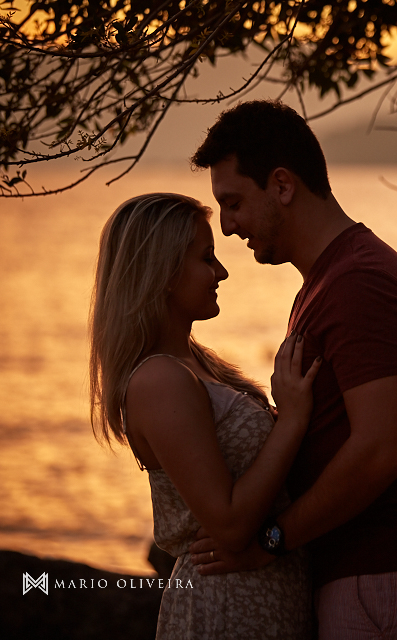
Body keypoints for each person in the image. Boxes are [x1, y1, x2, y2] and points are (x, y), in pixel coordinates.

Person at [188, 100, 397, 639]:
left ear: (282, 185)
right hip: (378, 573)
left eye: (233, 204)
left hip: (393, 571)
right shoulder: (329, 281)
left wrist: (272, 541)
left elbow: (381, 449)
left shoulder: (357, 284)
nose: (228, 227)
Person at [89, 192, 320, 639]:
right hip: (227, 611)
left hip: (261, 603)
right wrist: (291, 420)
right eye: (206, 258)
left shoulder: (197, 364)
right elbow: (230, 525)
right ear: (164, 272)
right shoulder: (160, 380)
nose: (222, 272)